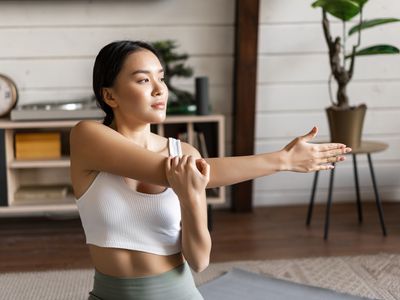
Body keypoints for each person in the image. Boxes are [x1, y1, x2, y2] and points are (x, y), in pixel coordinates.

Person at [70, 40, 352, 300]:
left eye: (161, 78)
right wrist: (283, 160)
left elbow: (200, 261)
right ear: (110, 96)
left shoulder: (185, 153)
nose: (159, 89)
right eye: (144, 80)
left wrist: (191, 198)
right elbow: (175, 172)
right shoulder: (87, 137)